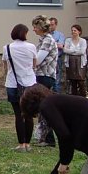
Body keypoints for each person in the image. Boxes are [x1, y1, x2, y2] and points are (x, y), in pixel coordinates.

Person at [2, 23, 37, 152]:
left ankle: (21, 144)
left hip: (12, 83)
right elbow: (34, 64)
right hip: (29, 83)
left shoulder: (7, 48)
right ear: (25, 34)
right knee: (28, 114)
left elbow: (5, 67)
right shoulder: (31, 47)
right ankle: (28, 143)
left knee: (18, 114)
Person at [32, 15, 58, 148]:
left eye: (35, 27)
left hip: (45, 76)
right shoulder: (43, 40)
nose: (33, 29)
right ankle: (44, 137)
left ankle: (49, 138)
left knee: (44, 107)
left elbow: (38, 59)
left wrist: (30, 63)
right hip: (42, 75)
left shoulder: (47, 40)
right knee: (42, 107)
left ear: (41, 28)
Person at [64, 24, 88, 97]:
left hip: (80, 62)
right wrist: (75, 51)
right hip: (70, 63)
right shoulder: (68, 40)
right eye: (72, 30)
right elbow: (65, 50)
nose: (73, 32)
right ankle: (74, 98)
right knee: (72, 81)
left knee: (81, 81)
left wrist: (71, 51)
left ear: (79, 32)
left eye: (75, 30)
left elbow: (82, 51)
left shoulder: (83, 41)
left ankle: (83, 98)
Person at [49, 17, 65, 93]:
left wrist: (51, 43)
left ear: (56, 25)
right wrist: (55, 43)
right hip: (48, 59)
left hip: (57, 58)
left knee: (57, 77)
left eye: (52, 25)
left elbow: (61, 46)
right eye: (49, 25)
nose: (50, 26)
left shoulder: (60, 35)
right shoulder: (46, 35)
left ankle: (57, 94)